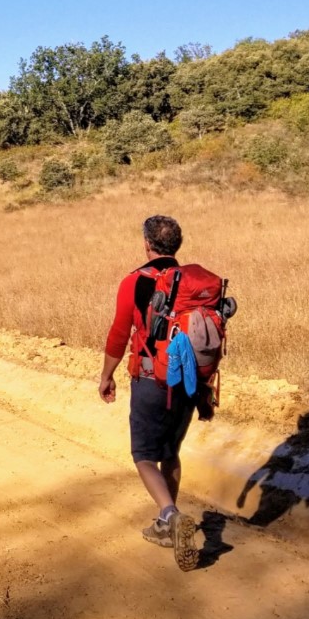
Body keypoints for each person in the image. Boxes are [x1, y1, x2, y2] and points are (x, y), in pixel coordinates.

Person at [98, 214, 200, 569]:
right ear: (178, 244)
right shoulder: (193, 281)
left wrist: (106, 375)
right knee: (170, 452)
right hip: (189, 380)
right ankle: (163, 524)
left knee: (143, 454)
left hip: (149, 377)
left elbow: (118, 333)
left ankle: (170, 514)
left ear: (146, 243)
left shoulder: (135, 281)